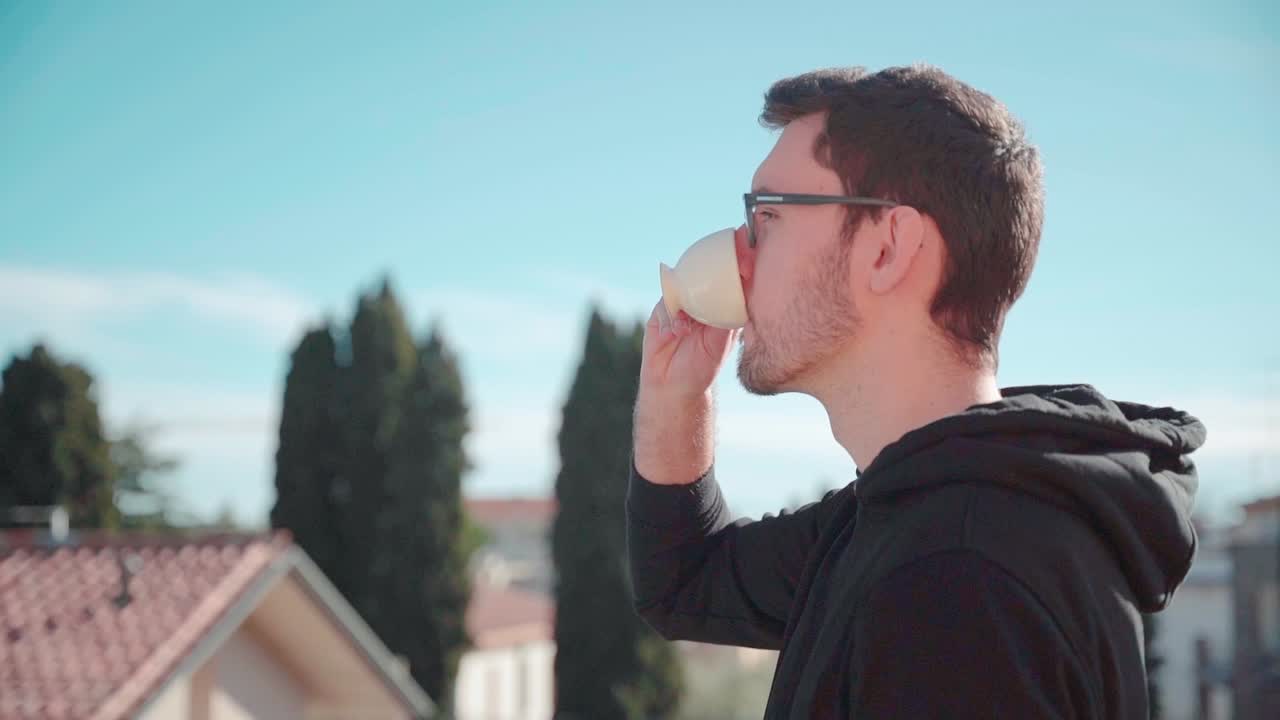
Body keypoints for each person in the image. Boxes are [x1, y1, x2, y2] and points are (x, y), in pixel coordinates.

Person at [626, 64, 1205, 719]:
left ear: (889, 249)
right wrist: (677, 398)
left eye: (768, 215)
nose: (739, 252)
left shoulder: (957, 583)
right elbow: (684, 583)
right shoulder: (910, 511)